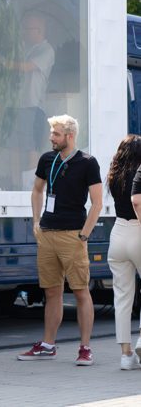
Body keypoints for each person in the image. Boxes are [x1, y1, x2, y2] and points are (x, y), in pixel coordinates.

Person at [17, 114, 102, 366]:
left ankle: (85, 348)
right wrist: (36, 221)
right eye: (51, 133)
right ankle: (48, 345)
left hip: (72, 235)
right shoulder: (47, 159)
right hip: (47, 234)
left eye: (56, 134)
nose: (51, 138)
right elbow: (37, 189)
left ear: (70, 136)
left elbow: (97, 203)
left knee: (80, 291)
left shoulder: (87, 162)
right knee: (51, 291)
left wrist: (84, 235)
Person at [2, 12, 55, 188]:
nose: (24, 33)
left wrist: (2, 63)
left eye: (27, 29)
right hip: (17, 105)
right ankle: (15, 186)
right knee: (14, 146)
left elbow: (26, 67)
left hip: (33, 106)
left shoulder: (46, 50)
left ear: (39, 30)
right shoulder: (27, 49)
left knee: (31, 147)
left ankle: (30, 188)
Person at [107, 135, 141, 369]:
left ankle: (125, 355)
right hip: (138, 229)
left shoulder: (114, 174)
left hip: (118, 232)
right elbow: (137, 201)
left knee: (122, 297)